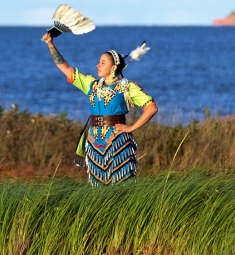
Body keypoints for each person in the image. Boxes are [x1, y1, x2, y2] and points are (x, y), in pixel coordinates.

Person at [42, 32, 159, 186]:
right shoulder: (92, 84)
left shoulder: (127, 87)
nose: (98, 65)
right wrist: (51, 45)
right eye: (98, 62)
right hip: (94, 142)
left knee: (123, 185)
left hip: (118, 141)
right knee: (98, 187)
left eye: (103, 62)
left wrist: (131, 128)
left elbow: (151, 108)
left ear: (114, 67)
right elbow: (66, 68)